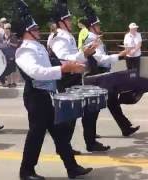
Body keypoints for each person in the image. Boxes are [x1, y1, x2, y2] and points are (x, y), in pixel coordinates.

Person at [12, 1, 92, 179]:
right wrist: (63, 69)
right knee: (36, 135)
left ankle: (72, 168)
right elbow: (36, 72)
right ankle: (26, 171)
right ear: (27, 31)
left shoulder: (38, 46)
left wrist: (74, 63)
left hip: (47, 95)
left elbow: (55, 62)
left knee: (60, 133)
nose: (38, 29)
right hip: (35, 97)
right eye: (34, 27)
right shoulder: (24, 50)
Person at [49, 0, 111, 153]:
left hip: (75, 77)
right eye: (68, 19)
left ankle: (88, 142)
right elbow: (64, 58)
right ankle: (64, 147)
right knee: (69, 116)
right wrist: (85, 53)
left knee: (89, 109)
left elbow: (72, 55)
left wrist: (85, 51)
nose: (71, 21)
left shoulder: (66, 35)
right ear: (60, 22)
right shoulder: (59, 37)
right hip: (66, 78)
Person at [80, 0, 140, 137]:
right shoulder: (91, 39)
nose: (100, 26)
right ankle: (91, 135)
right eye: (97, 24)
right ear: (92, 27)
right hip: (96, 75)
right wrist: (119, 56)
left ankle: (125, 128)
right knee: (95, 107)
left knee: (112, 102)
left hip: (102, 74)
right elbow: (100, 59)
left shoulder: (95, 38)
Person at [3, 23, 19, 88]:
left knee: (13, 70)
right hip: (6, 55)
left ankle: (14, 82)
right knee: (7, 70)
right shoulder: (3, 36)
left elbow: (16, 45)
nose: (7, 30)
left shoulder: (13, 36)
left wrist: (10, 43)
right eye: (5, 29)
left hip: (12, 54)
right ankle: (9, 83)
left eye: (8, 28)